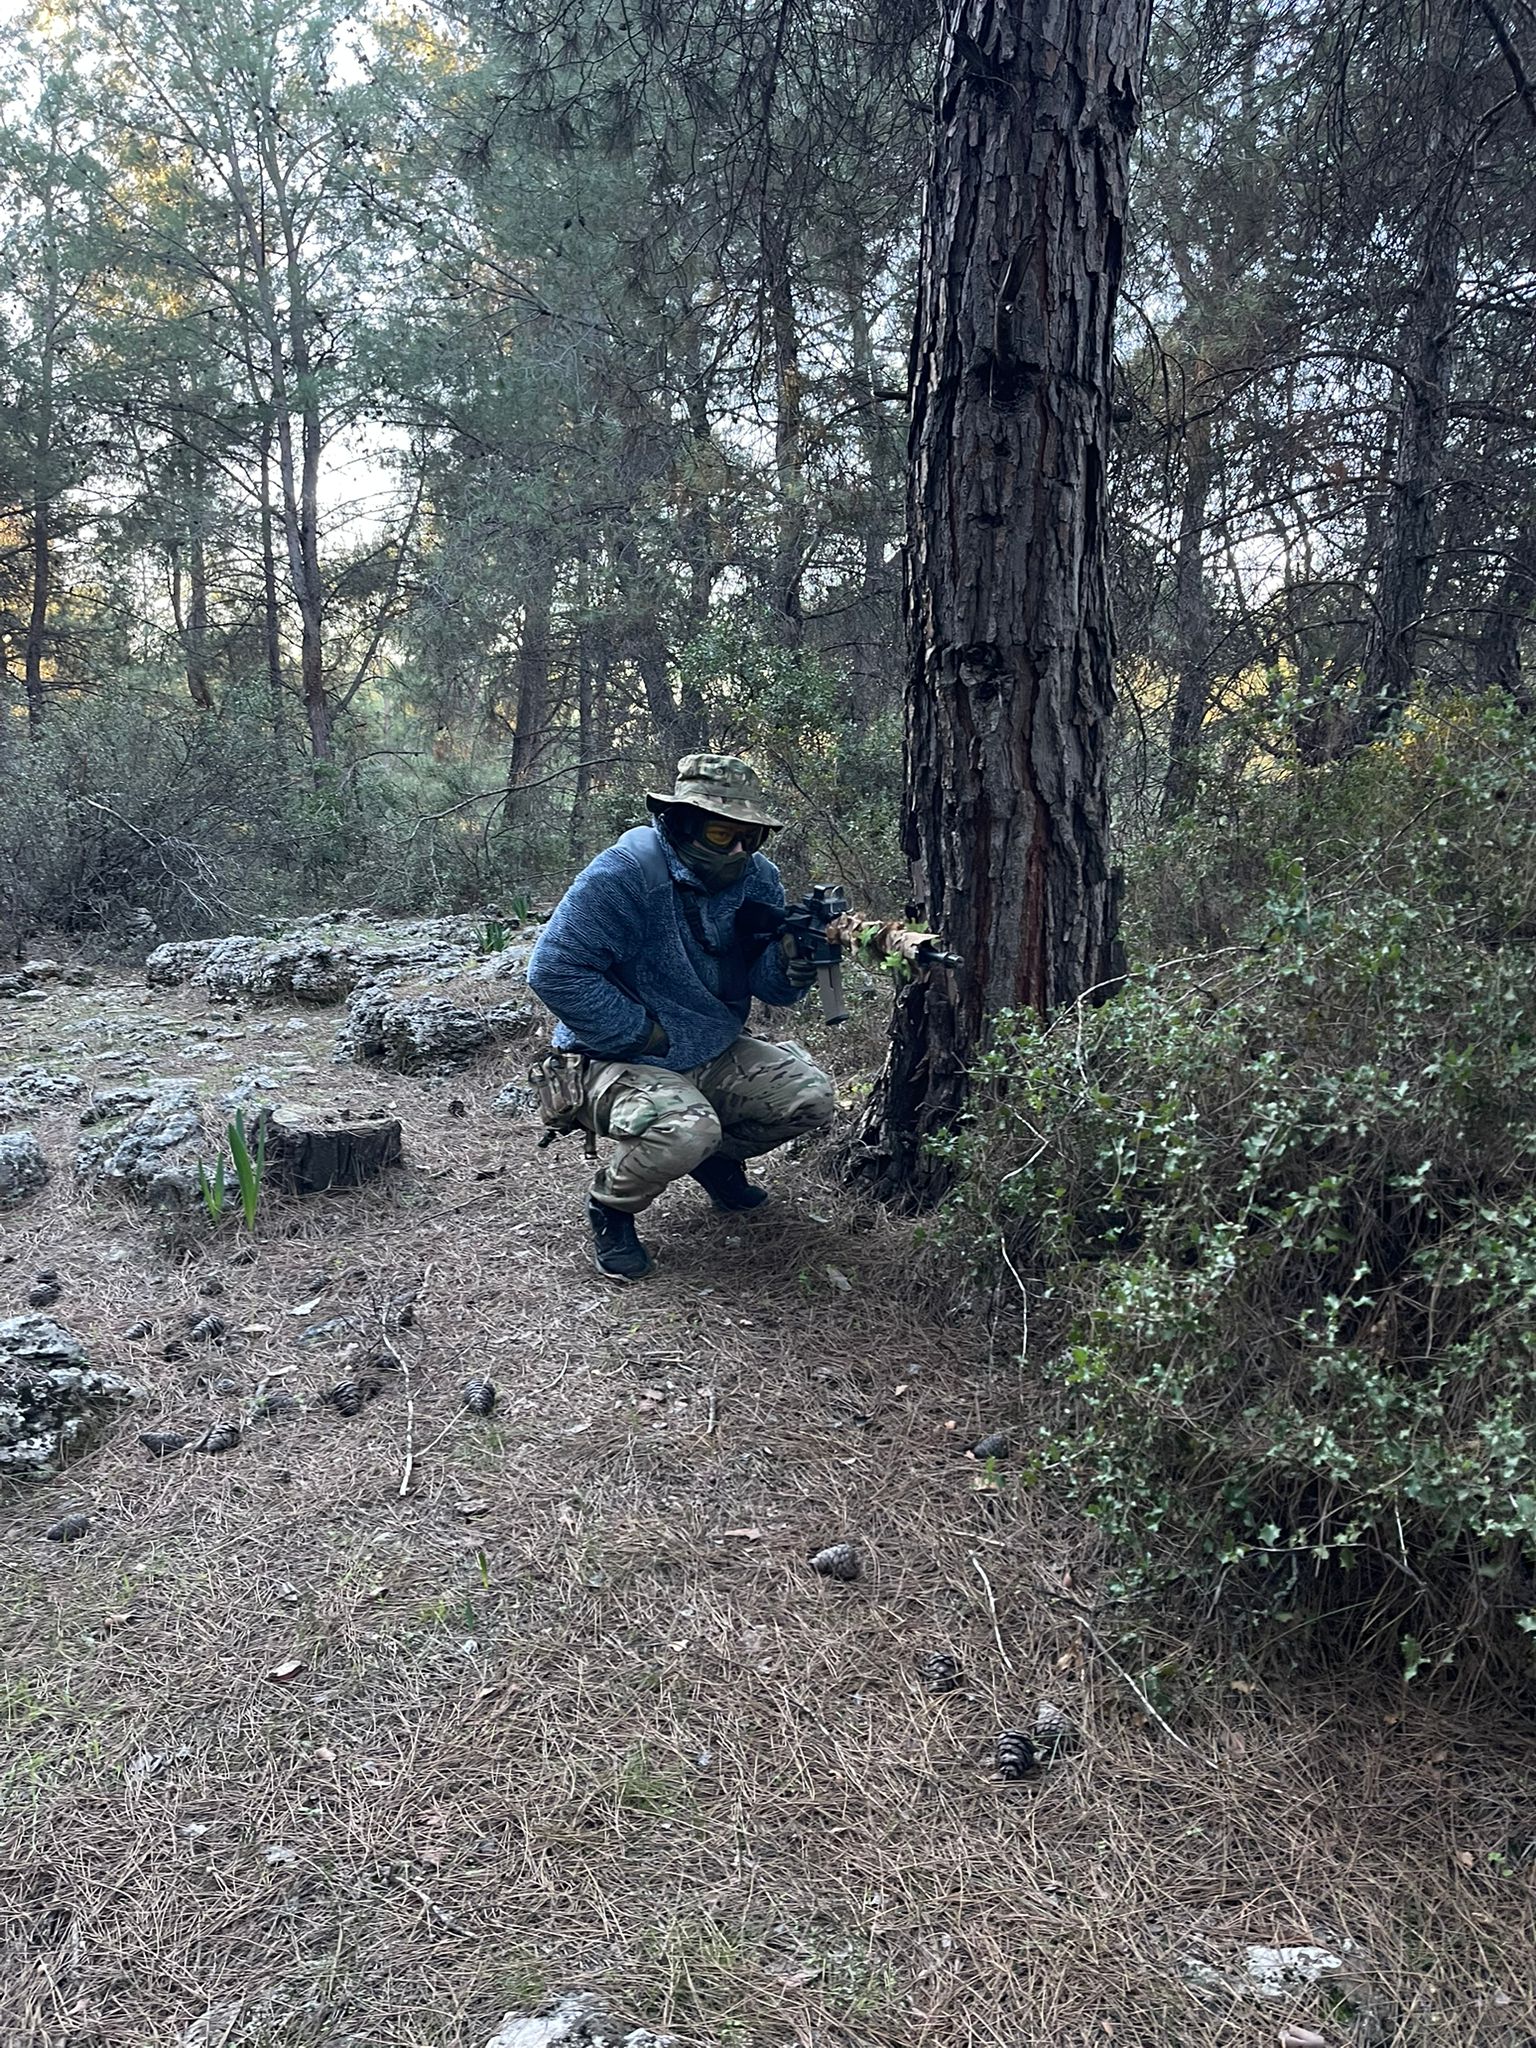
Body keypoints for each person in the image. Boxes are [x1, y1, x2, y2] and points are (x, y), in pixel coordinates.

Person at [527, 754, 836, 1278]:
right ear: (679, 822)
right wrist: (643, 1032)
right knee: (685, 1129)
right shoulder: (625, 875)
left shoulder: (759, 879)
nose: (738, 850)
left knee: (809, 1099)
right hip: (611, 1057)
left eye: (750, 837)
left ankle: (712, 1161)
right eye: (721, 834)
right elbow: (555, 969)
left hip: (710, 1048)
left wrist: (793, 955)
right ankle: (612, 1208)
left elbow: (771, 990)